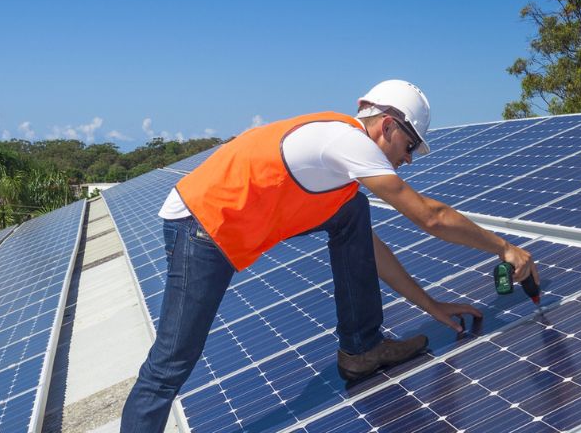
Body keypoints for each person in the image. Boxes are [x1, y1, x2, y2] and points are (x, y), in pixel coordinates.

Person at [121, 80, 539, 432]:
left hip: (226, 224)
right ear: (388, 126)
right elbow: (430, 217)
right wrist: (504, 248)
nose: (408, 159)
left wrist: (432, 306)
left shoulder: (338, 170)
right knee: (172, 362)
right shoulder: (347, 142)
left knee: (352, 213)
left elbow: (372, 252)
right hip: (202, 226)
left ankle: (362, 350)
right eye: (409, 146)